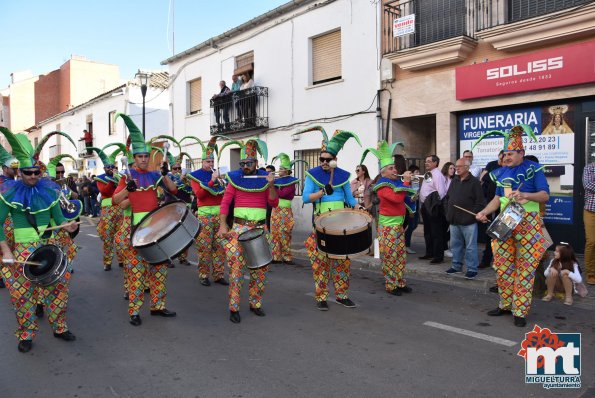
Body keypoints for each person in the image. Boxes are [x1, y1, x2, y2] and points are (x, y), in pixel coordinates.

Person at [0, 127, 78, 353]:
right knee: (22, 294)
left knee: (58, 288)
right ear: (20, 173)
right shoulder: (9, 194)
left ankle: (60, 327)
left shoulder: (50, 192)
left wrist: (69, 225)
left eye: (36, 172)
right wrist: (6, 250)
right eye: (28, 173)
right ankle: (26, 334)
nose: (33, 176)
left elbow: (61, 219)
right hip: (24, 250)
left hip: (50, 246)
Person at [475, 124, 550, 327]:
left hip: (529, 222)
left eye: (510, 153)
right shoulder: (501, 173)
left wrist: (526, 194)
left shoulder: (534, 169)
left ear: (521, 153)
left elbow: (545, 195)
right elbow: (498, 199)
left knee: (526, 268)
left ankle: (520, 310)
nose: (506, 157)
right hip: (506, 220)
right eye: (504, 153)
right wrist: (484, 212)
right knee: (502, 265)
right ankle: (505, 304)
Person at [113, 114, 179, 327]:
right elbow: (116, 200)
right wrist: (127, 191)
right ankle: (134, 311)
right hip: (135, 230)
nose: (143, 159)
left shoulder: (153, 176)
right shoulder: (127, 176)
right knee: (136, 273)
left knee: (159, 269)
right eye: (140, 156)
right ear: (134, 157)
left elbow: (173, 190)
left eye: (146, 156)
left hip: (155, 230)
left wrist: (166, 173)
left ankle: (158, 306)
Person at [300, 126, 363, 311]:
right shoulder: (313, 175)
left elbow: (350, 200)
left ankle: (342, 295)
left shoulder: (343, 176)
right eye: (322, 159)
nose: (325, 162)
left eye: (328, 159)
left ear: (335, 160)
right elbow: (305, 198)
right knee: (321, 263)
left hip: (341, 224)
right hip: (321, 225)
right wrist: (321, 192)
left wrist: (359, 207)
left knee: (343, 261)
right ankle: (321, 296)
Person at [217, 138, 278, 324]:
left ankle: (255, 303)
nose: (245, 166)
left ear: (256, 163)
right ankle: (234, 307)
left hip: (259, 228)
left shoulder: (264, 179)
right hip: (238, 229)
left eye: (249, 163)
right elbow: (225, 202)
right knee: (236, 268)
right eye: (242, 163)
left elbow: (273, 202)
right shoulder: (235, 179)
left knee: (260, 269)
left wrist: (270, 184)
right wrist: (222, 224)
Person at [363, 141, 416, 296]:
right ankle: (390, 284)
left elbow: (403, 198)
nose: (395, 170)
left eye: (395, 167)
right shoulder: (382, 185)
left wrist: (411, 196)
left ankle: (399, 282)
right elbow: (396, 199)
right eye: (391, 168)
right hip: (387, 227)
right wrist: (406, 182)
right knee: (390, 257)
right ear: (384, 171)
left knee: (400, 256)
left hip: (398, 225)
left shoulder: (395, 182)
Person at [187, 137, 228, 286]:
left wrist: (223, 182)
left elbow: (224, 195)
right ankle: (203, 274)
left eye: (212, 162)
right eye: (207, 162)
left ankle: (219, 274)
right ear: (202, 162)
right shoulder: (195, 176)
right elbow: (199, 195)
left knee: (220, 246)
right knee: (204, 247)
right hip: (204, 216)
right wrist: (211, 181)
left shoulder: (219, 173)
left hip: (219, 215)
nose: (210, 164)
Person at [444, 158, 485, 279]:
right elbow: (448, 198)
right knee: (455, 245)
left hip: (468, 221)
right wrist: (448, 212)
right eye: (456, 166)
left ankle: (472, 268)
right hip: (454, 219)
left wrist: (471, 214)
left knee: (471, 246)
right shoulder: (455, 180)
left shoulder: (474, 182)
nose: (457, 168)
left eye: (459, 166)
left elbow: (480, 202)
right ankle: (456, 266)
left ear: (467, 167)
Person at [88, 146, 124, 271]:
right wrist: (112, 181)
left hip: (120, 208)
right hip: (108, 209)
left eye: (112, 167)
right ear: (104, 168)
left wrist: (118, 179)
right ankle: (107, 261)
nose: (111, 169)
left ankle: (121, 260)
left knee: (120, 236)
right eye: (108, 167)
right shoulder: (101, 178)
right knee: (108, 237)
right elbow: (105, 191)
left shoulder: (120, 177)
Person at [270, 153, 302, 265]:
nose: (279, 170)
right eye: (279, 168)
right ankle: (276, 256)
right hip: (275, 209)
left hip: (285, 211)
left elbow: (283, 193)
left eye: (282, 169)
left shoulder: (291, 181)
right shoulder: (277, 181)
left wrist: (273, 186)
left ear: (288, 171)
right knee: (274, 233)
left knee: (284, 233)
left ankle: (287, 256)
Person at [419, 155, 448, 264]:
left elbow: (442, 192)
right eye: (426, 161)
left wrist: (435, 205)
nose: (426, 163)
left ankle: (438, 256)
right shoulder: (428, 174)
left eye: (429, 161)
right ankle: (429, 252)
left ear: (435, 163)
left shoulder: (438, 175)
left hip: (433, 206)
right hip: (425, 206)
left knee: (436, 232)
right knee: (428, 231)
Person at [478, 150, 504, 270]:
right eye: (501, 158)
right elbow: (483, 179)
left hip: (503, 208)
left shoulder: (510, 172)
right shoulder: (492, 166)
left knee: (500, 235)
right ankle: (486, 260)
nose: (502, 160)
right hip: (490, 203)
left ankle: (499, 263)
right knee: (489, 233)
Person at [583, 162, 595, 285]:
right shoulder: (590, 168)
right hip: (591, 210)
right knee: (592, 241)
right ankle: (591, 273)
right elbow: (588, 185)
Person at [404, 164, 420, 254]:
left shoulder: (416, 182)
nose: (418, 174)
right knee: (410, 226)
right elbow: (405, 195)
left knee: (414, 225)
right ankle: (406, 245)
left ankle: (405, 243)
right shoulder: (407, 183)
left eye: (418, 172)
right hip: (409, 208)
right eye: (416, 172)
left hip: (415, 205)